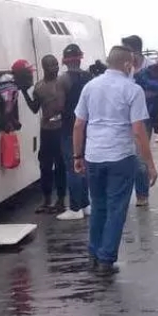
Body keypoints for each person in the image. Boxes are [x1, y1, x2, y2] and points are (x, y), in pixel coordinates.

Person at [72, 45, 158, 275]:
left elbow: (79, 124)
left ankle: (94, 254)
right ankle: (106, 260)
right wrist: (149, 165)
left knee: (98, 205)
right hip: (120, 157)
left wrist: (77, 155)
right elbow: (138, 130)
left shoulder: (90, 87)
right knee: (116, 209)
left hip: (93, 156)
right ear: (128, 65)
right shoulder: (132, 90)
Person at [21, 55, 67, 213]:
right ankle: (46, 200)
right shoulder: (39, 86)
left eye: (56, 64)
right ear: (44, 67)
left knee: (61, 165)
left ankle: (60, 200)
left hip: (61, 129)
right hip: (46, 131)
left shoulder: (62, 83)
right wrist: (24, 92)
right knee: (45, 166)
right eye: (51, 65)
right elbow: (35, 108)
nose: (55, 67)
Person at [121, 35, 158, 207]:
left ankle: (142, 193)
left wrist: (141, 94)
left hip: (144, 116)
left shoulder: (151, 67)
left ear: (134, 50)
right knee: (124, 154)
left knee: (139, 154)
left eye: (126, 49)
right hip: (123, 117)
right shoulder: (123, 67)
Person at [56, 44, 92, 221]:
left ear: (64, 61)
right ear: (80, 58)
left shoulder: (62, 80)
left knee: (72, 168)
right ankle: (85, 205)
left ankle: (75, 208)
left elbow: (60, 106)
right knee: (83, 166)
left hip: (69, 127)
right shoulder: (89, 77)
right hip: (87, 127)